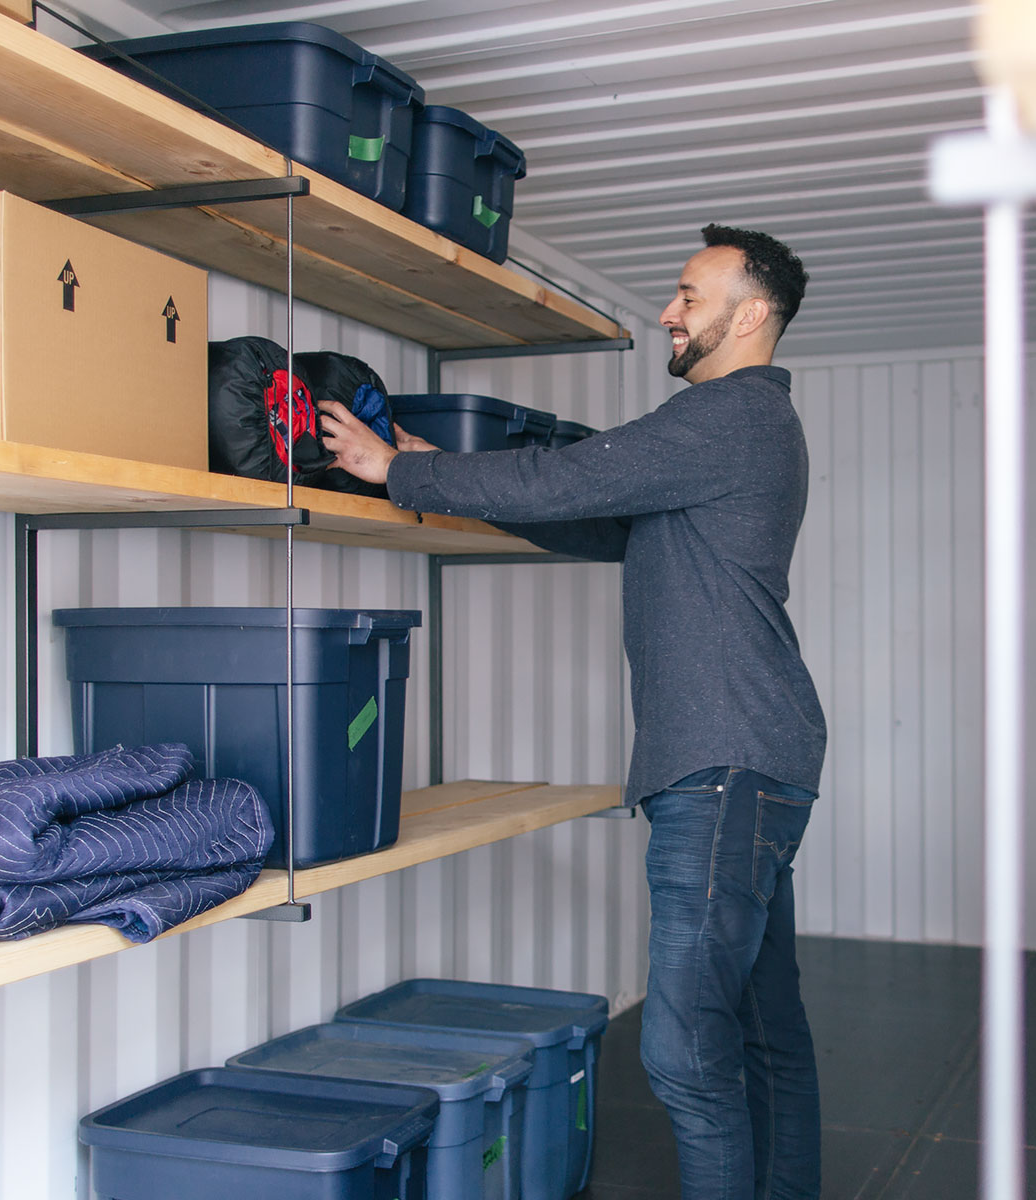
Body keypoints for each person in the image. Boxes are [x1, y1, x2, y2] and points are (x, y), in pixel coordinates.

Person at [321, 224, 827, 1200]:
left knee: (684, 1052)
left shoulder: (733, 416)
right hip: (755, 756)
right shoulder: (745, 430)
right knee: (766, 1033)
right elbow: (595, 516)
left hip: (723, 767)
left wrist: (398, 472)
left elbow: (575, 475)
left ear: (751, 313)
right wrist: (438, 475)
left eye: (689, 295)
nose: (669, 313)